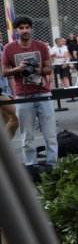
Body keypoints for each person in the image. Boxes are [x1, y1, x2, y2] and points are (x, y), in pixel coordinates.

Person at [2, 16, 58, 166]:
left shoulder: (40, 46)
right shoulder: (9, 48)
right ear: (16, 30)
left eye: (27, 27)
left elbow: (49, 68)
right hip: (22, 95)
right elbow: (4, 71)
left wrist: (38, 69)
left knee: (50, 134)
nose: (25, 30)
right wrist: (18, 69)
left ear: (31, 29)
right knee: (27, 135)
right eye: (21, 28)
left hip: (43, 92)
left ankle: (53, 165)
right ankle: (30, 166)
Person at [0, 41, 18, 139]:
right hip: (1, 92)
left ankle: (3, 152)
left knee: (5, 122)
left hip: (5, 89)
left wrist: (12, 91)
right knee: (15, 118)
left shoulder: (2, 47)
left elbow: (8, 73)